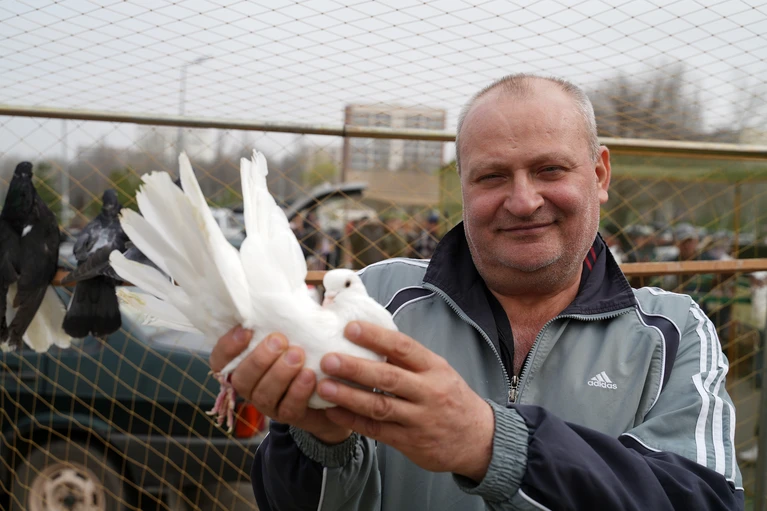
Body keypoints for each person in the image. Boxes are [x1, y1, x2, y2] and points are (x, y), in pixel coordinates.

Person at [210, 74, 743, 510]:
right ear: (463, 186)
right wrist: (317, 442)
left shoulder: (674, 333)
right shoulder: (376, 296)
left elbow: (702, 499)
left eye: (549, 169)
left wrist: (491, 443)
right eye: (492, 177)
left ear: (600, 174)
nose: (523, 201)